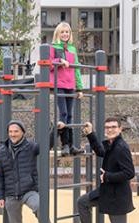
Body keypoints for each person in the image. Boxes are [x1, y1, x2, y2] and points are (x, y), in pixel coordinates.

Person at [0, 120, 65, 223]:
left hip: (28, 190)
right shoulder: (2, 151)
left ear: (22, 133)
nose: (13, 134)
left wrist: (55, 129)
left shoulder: (30, 147)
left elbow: (46, 145)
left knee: (40, 206)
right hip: (11, 194)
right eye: (11, 131)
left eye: (16, 131)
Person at [74, 117, 135, 223]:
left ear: (120, 129)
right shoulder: (110, 144)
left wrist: (107, 176)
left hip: (118, 198)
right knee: (82, 202)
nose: (110, 129)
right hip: (106, 192)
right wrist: (90, 134)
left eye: (113, 127)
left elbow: (129, 173)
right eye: (107, 127)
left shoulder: (121, 147)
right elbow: (100, 151)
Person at [50, 21, 85, 156]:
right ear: (57, 34)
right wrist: (60, 61)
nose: (65, 34)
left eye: (67, 32)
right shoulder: (53, 47)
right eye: (62, 32)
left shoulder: (72, 49)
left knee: (70, 115)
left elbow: (76, 69)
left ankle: (70, 145)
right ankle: (64, 145)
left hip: (70, 85)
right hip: (59, 84)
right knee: (63, 114)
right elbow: (49, 64)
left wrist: (79, 88)